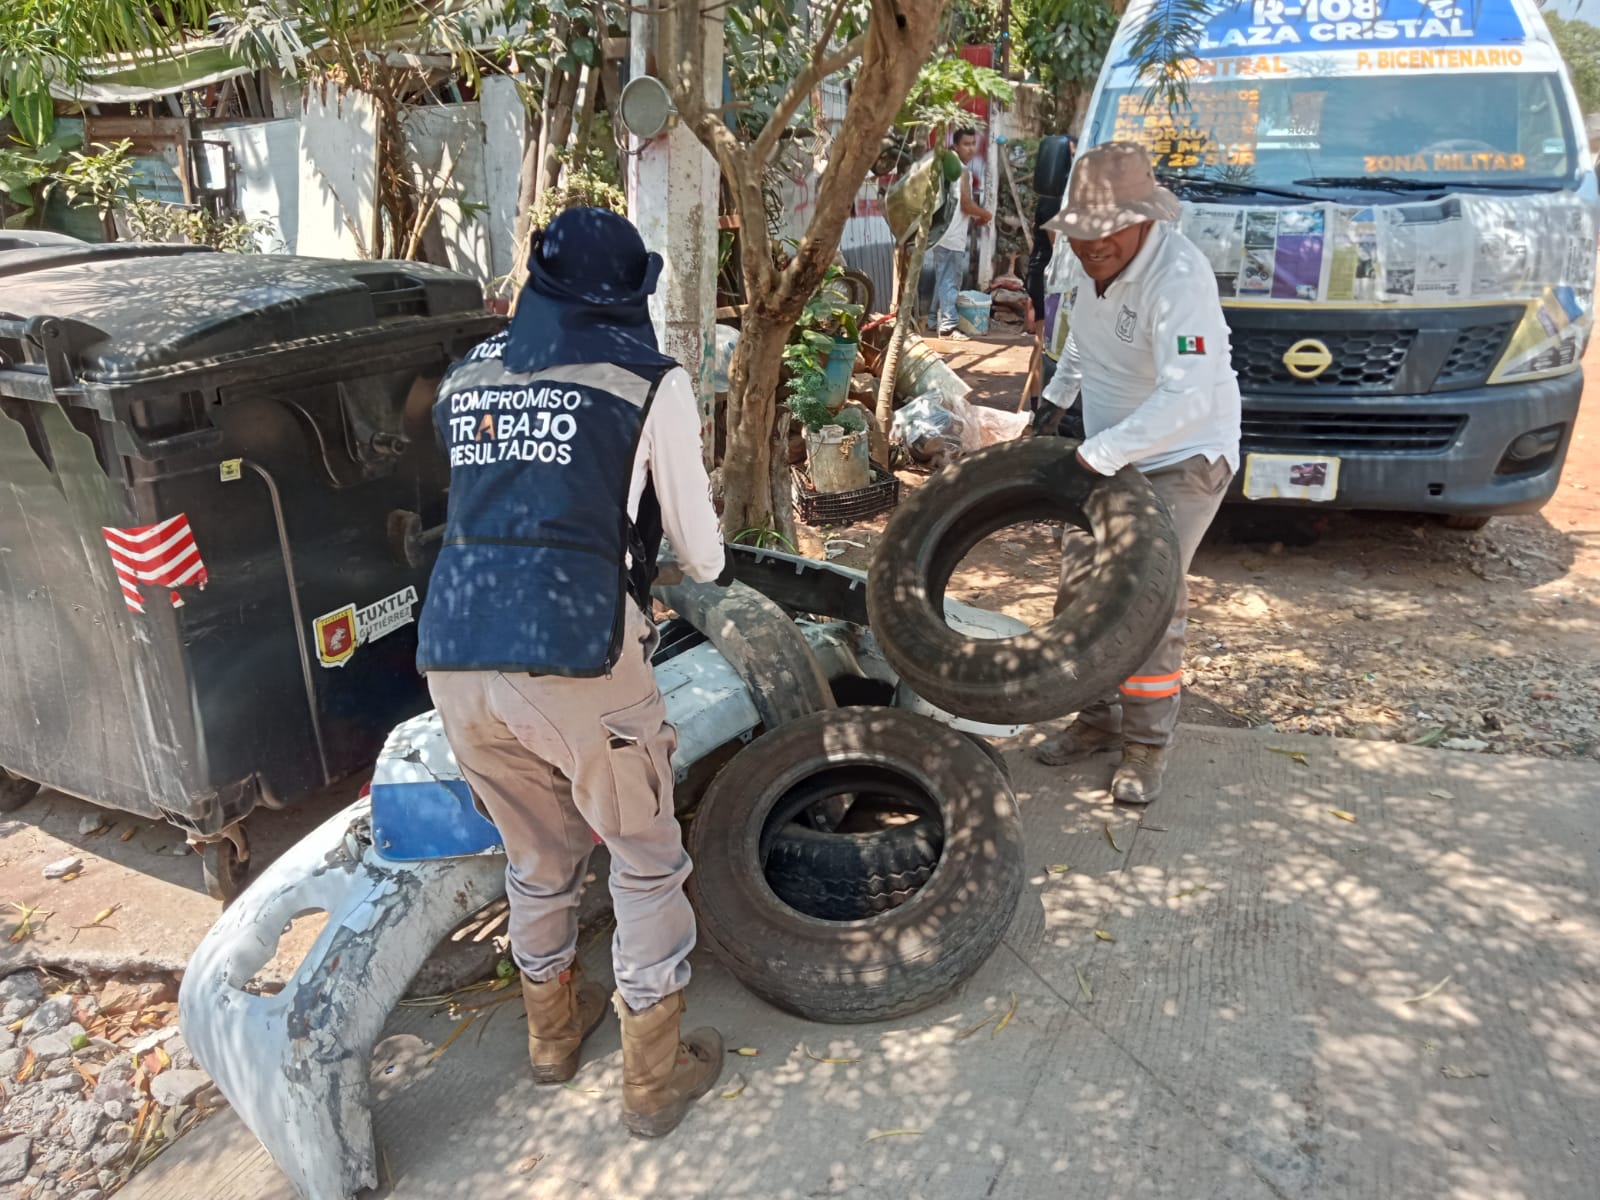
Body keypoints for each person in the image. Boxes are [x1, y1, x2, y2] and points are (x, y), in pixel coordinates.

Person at [416, 207, 731, 1138]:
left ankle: (551, 1037)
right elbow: (703, 556)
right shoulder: (646, 380)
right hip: (576, 654)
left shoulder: (466, 373)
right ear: (630, 293)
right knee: (644, 856)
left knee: (538, 853)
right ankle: (653, 1077)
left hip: (456, 651)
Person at [1033, 143, 1241, 805]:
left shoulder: (1178, 278)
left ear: (1146, 218)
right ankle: (1097, 718)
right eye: (1082, 230)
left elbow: (1189, 397)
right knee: (1079, 591)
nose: (1093, 243)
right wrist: (1053, 401)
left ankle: (1147, 744)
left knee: (1147, 599)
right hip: (1111, 450)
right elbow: (1082, 338)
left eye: (1109, 229)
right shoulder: (1085, 259)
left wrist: (1094, 456)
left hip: (1184, 456)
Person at [927, 128, 993, 340]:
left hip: (941, 232)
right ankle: (948, 326)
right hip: (952, 234)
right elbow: (965, 204)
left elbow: (956, 203)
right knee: (950, 280)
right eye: (966, 144)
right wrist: (985, 214)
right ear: (955, 145)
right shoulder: (961, 170)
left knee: (942, 278)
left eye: (973, 144)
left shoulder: (947, 166)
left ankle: (933, 319)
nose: (971, 149)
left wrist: (975, 217)